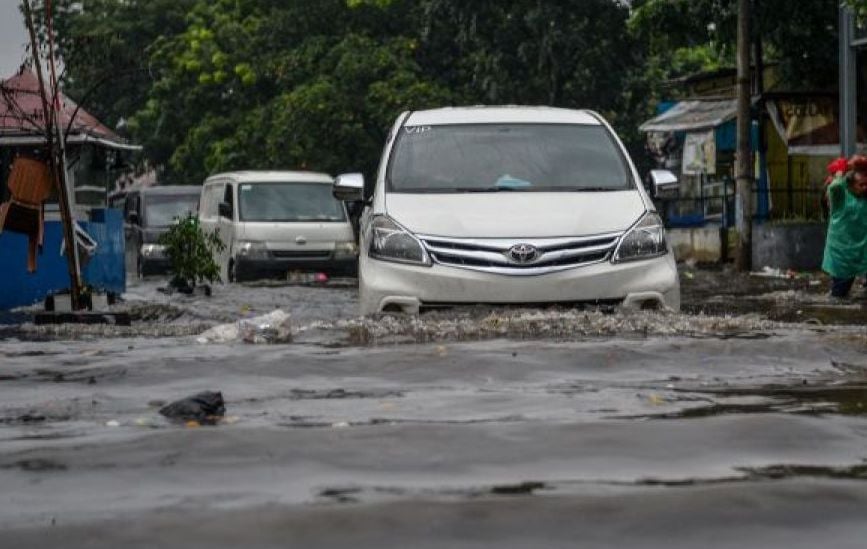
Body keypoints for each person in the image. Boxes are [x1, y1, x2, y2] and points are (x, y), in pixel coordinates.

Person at [822, 154, 867, 298]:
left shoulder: (864, 199)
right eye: (861, 185)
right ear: (851, 185)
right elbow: (835, 186)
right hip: (842, 254)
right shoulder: (841, 198)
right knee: (839, 294)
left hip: (861, 251)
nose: (865, 188)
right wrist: (841, 171)